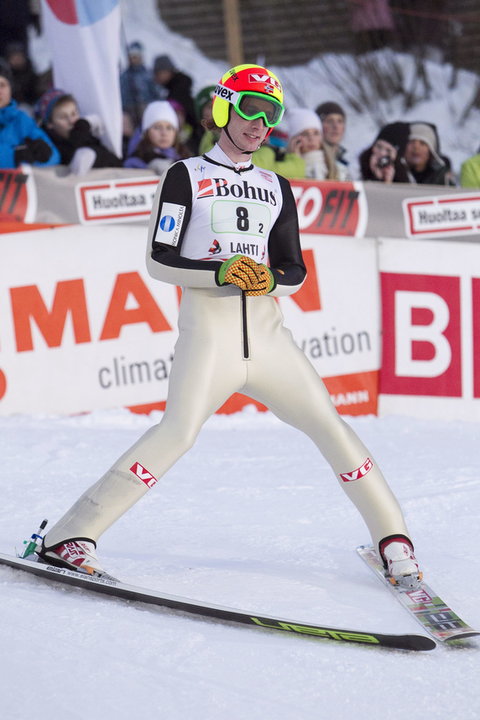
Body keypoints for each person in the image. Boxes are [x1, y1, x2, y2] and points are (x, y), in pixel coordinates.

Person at [36, 63, 422, 590]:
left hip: (269, 340)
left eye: (271, 116)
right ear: (223, 110)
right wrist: (219, 270)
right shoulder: (185, 176)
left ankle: (394, 541)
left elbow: (294, 270)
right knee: (177, 432)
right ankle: (70, 536)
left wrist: (267, 280)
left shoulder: (276, 185)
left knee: (332, 425)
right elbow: (160, 260)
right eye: (249, 110)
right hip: (211, 339)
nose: (259, 124)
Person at [36, 88, 122, 174]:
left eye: (74, 114)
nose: (71, 121)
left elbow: (116, 164)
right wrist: (83, 126)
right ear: (50, 124)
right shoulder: (48, 147)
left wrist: (95, 154)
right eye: (63, 117)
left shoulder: (87, 135)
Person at [0, 61, 60, 169]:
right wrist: (13, 157)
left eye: (2, 85)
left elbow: (54, 157)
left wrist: (41, 155)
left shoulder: (21, 120)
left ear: (10, 89)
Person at [124, 100, 189, 174]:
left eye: (169, 128)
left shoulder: (187, 158)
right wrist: (148, 171)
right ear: (146, 132)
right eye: (157, 127)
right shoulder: (134, 163)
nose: (164, 133)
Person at [285, 107, 330, 180]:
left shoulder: (337, 170)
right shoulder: (284, 166)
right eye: (305, 134)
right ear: (294, 140)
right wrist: (295, 161)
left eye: (316, 133)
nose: (311, 139)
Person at [120, 41, 157, 127]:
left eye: (135, 57)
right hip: (129, 111)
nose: (133, 60)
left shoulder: (148, 75)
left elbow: (155, 93)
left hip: (146, 109)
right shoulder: (124, 76)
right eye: (131, 57)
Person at [315, 101, 351, 180]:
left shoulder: (346, 163)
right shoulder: (313, 159)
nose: (336, 126)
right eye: (329, 121)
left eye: (340, 121)